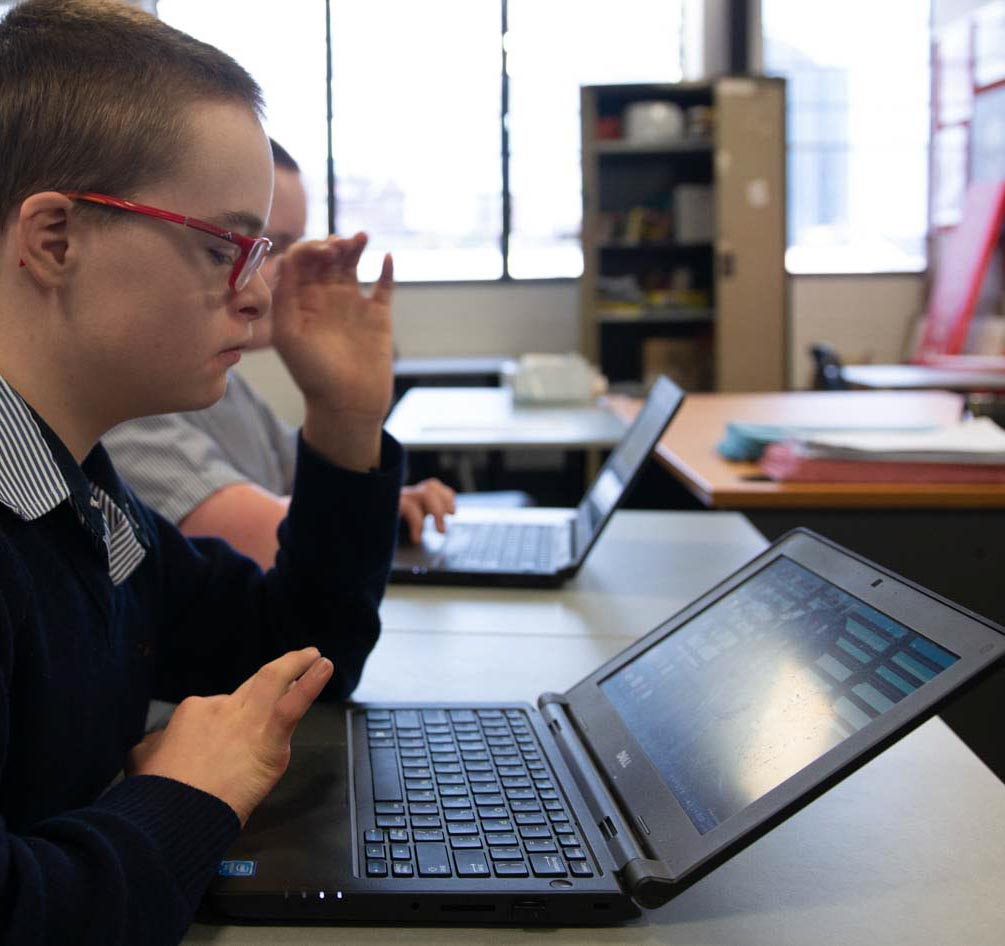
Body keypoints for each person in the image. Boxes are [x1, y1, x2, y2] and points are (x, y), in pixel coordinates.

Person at [0, 2, 403, 944]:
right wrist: (189, 795)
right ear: (55, 238)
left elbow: (299, 653)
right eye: (224, 247)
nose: (256, 294)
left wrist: (345, 420)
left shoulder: (78, 494)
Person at [104, 140, 456, 569]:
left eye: (285, 247)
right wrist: (370, 506)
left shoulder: (226, 384)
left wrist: (349, 419)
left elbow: (317, 496)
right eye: (235, 249)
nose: (271, 283)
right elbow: (284, 550)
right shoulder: (124, 405)